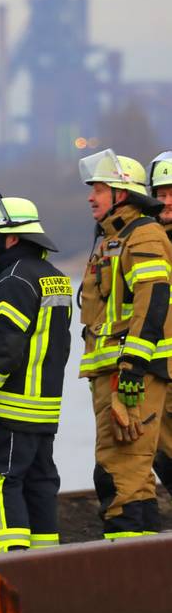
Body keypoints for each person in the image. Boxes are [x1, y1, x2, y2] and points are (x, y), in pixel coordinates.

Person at [0, 193, 72, 552]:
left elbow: (5, 349)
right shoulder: (55, 278)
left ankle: (13, 566)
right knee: (41, 484)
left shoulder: (13, 281)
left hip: (9, 410)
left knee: (1, 482)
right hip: (44, 409)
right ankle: (45, 565)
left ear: (12, 238)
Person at [78, 149, 172, 538]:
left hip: (133, 374)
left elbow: (152, 300)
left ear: (123, 193)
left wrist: (132, 367)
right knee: (139, 469)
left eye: (99, 189)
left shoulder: (143, 235)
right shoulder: (112, 239)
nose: (91, 197)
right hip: (116, 370)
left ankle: (130, 561)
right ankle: (145, 556)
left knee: (120, 472)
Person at [148, 151, 172, 494]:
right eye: (161, 194)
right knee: (161, 457)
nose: (166, 201)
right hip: (155, 372)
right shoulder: (144, 242)